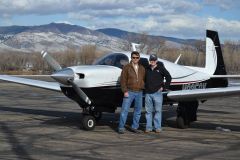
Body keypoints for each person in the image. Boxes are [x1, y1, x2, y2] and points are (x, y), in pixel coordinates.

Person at [118, 51, 145, 134]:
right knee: (124, 110)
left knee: (138, 111)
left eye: (137, 57)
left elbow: (143, 79)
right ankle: (121, 127)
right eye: (133, 57)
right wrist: (125, 91)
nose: (135, 59)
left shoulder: (142, 68)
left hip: (139, 92)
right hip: (129, 91)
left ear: (139, 58)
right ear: (131, 58)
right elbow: (123, 80)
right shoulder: (126, 67)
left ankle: (135, 127)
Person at [145, 54, 172, 133]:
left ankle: (157, 127)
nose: (152, 61)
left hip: (157, 93)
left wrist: (164, 87)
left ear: (156, 61)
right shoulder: (146, 69)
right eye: (151, 60)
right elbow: (143, 79)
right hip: (148, 93)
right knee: (148, 112)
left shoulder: (161, 68)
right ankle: (148, 127)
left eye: (154, 60)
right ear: (149, 61)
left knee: (158, 111)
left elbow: (168, 77)